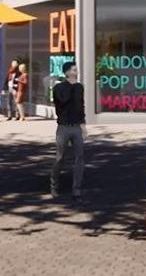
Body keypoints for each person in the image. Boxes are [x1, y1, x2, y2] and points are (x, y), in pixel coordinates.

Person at [50, 61, 85, 200]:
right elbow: (62, 102)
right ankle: (54, 185)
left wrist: (83, 124)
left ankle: (77, 188)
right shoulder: (59, 87)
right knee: (60, 157)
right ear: (67, 72)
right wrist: (70, 87)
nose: (76, 72)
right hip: (63, 126)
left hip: (76, 126)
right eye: (74, 70)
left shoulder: (79, 87)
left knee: (79, 158)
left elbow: (80, 106)